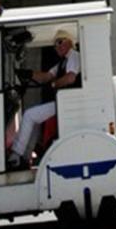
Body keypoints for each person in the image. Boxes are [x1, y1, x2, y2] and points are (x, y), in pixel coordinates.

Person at [7, 28, 80, 169]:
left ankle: (16, 155)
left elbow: (70, 78)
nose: (56, 46)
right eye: (55, 44)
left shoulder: (73, 56)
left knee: (29, 114)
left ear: (69, 42)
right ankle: (25, 156)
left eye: (59, 42)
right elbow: (46, 76)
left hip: (68, 102)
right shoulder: (62, 63)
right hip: (62, 102)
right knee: (34, 118)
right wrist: (27, 74)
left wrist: (55, 84)